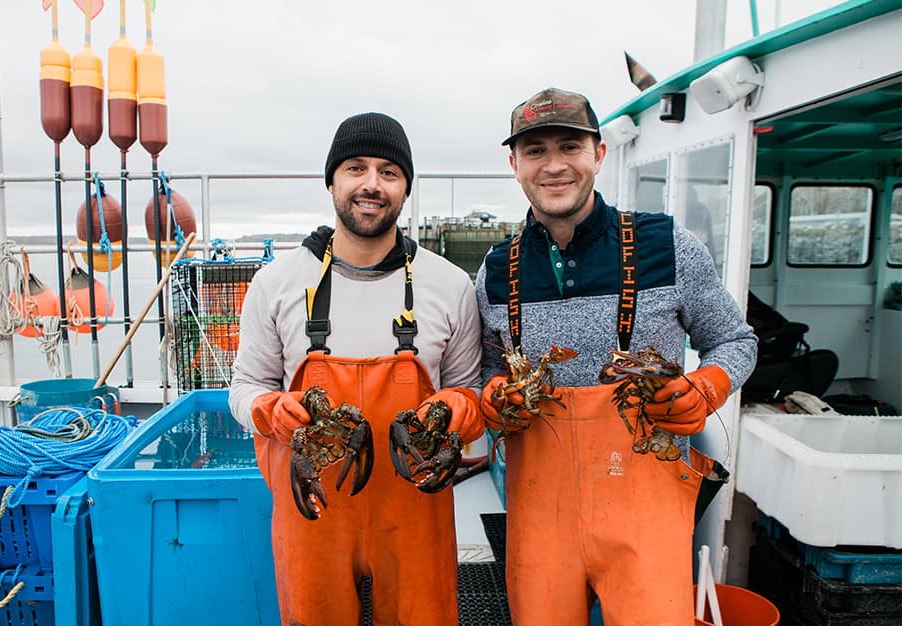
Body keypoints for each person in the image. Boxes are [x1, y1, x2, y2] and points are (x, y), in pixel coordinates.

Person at [476, 88, 757, 625]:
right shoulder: (494, 271)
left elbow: (735, 341)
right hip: (539, 523)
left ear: (598, 155)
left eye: (570, 146)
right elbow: (488, 371)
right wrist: (492, 398)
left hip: (646, 518)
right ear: (515, 165)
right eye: (535, 150)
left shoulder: (669, 245)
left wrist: (705, 387)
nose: (554, 165)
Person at [229, 111, 484, 626]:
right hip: (314, 505)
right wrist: (267, 409)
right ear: (331, 181)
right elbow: (244, 387)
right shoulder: (275, 283)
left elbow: (471, 391)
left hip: (415, 510)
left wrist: (459, 407)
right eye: (356, 168)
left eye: (389, 172)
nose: (372, 184)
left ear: (406, 189)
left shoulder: (450, 285)